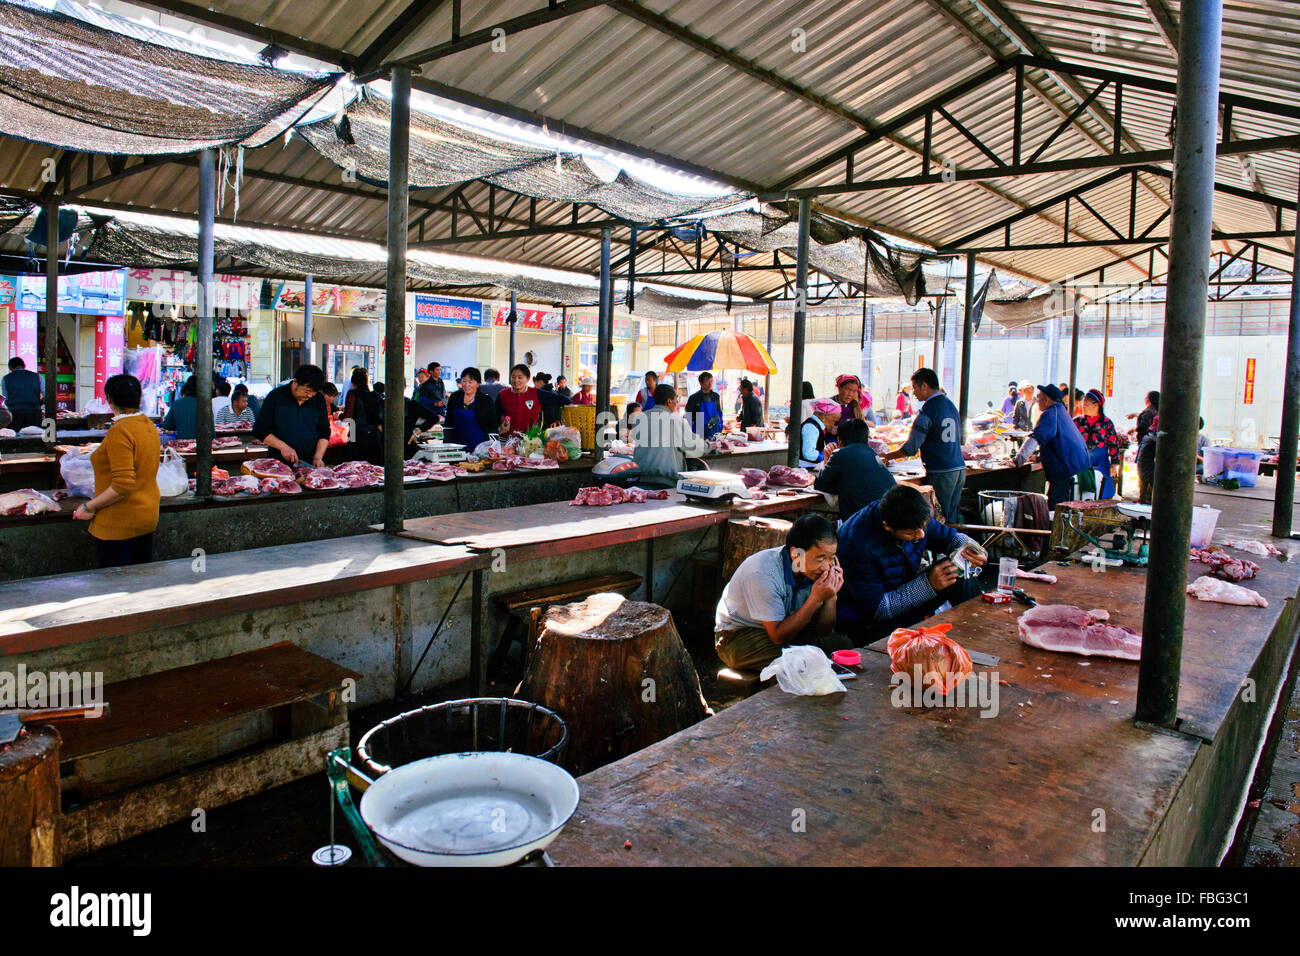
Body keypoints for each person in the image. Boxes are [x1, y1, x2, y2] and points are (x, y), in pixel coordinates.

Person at [836, 484, 987, 643]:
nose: (921, 535)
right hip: (867, 622)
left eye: (923, 528)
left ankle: (980, 629)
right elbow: (878, 609)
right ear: (887, 526)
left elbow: (949, 538)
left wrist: (972, 549)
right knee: (946, 574)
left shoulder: (912, 515)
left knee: (958, 572)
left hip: (904, 598)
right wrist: (929, 584)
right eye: (912, 533)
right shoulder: (855, 543)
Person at [713, 515, 853, 671]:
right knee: (801, 662)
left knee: (842, 647)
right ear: (796, 554)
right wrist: (815, 598)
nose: (827, 567)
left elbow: (823, 631)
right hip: (739, 637)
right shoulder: (763, 572)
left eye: (831, 558)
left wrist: (830, 597)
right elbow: (778, 637)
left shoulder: (814, 571)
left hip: (787, 629)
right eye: (820, 559)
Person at [72, 374, 160, 568]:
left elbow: (122, 484)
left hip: (120, 523)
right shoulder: (149, 426)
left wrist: (89, 507)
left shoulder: (120, 431)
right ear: (139, 398)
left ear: (109, 400)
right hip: (146, 516)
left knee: (116, 588)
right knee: (139, 586)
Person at [882, 368, 965, 524]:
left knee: (938, 518)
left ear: (924, 386)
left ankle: (941, 548)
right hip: (959, 468)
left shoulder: (927, 410)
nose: (913, 393)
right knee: (951, 517)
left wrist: (886, 457)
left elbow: (910, 449)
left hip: (941, 471)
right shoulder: (950, 405)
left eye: (915, 388)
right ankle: (954, 546)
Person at [1015, 383, 1092, 508]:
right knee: (1062, 507)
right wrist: (1039, 457)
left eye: (1039, 397)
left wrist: (1017, 461)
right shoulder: (1060, 411)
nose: (1037, 401)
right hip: (1075, 468)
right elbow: (1057, 442)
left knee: (1056, 509)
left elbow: (1034, 439)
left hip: (1065, 470)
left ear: (1046, 399)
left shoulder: (1050, 413)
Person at [815, 418, 897, 522]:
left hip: (861, 521)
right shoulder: (872, 454)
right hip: (888, 517)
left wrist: (827, 457)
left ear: (839, 441)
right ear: (867, 440)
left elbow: (821, 485)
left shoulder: (840, 454)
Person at [631, 383, 708, 488]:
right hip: (667, 483)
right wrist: (709, 446)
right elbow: (693, 447)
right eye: (677, 399)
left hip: (641, 481)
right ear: (669, 401)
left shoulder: (640, 418)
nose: (677, 402)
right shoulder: (676, 420)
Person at [252, 364, 330, 468]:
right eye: (307, 391)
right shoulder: (275, 396)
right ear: (295, 382)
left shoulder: (319, 400)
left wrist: (318, 457)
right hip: (278, 464)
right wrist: (283, 447)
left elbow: (324, 432)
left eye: (314, 392)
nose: (310, 395)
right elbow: (261, 430)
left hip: (309, 464)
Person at [1074, 388, 1121, 499]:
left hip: (1101, 461)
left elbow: (1113, 443)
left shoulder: (1106, 423)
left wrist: (1114, 463)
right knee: (1082, 491)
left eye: (1086, 405)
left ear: (1096, 405)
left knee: (1102, 490)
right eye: (1083, 404)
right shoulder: (1077, 421)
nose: (1083, 407)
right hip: (1082, 460)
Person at [444, 367, 500, 451]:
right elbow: (448, 422)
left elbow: (492, 427)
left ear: (477, 384)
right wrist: (446, 446)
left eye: (470, 382)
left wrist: (493, 450)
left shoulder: (486, 401)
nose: (467, 385)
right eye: (464, 381)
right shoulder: (455, 397)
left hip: (479, 448)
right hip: (456, 447)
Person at [343, 368, 381, 463]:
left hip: (355, 433)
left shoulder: (352, 394)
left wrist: (339, 416)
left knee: (355, 467)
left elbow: (348, 417)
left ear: (353, 383)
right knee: (372, 468)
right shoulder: (375, 395)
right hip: (373, 435)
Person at [496, 363, 544, 435]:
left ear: (527, 379)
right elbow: (496, 415)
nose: (516, 380)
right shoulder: (502, 394)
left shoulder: (537, 393)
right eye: (513, 377)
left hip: (529, 441)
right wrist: (500, 425)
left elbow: (561, 399)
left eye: (520, 377)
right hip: (507, 440)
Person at [2, 357, 44, 430]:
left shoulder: (6, 378)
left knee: (16, 438)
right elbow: (46, 393)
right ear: (23, 365)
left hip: (15, 414)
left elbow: (5, 398)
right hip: (34, 413)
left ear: (10, 367)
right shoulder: (37, 376)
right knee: (35, 438)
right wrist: (40, 404)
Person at [799, 398, 841, 467]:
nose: (833, 424)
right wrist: (826, 455)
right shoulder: (811, 427)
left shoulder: (818, 427)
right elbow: (808, 453)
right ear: (824, 416)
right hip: (806, 467)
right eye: (834, 421)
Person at [684, 372, 724, 439]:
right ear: (701, 383)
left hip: (715, 431)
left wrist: (721, 425)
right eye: (707, 381)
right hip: (700, 433)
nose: (710, 383)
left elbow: (719, 412)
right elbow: (688, 415)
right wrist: (694, 430)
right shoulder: (694, 397)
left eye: (711, 381)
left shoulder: (716, 396)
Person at [160, 375, 198, 439]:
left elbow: (167, 426)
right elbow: (211, 432)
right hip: (202, 445)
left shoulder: (177, 404)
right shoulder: (205, 405)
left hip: (182, 444)